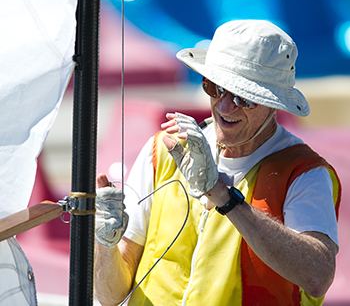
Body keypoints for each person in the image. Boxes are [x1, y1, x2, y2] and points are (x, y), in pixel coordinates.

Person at [94, 20, 341, 306]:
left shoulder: (304, 172)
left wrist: (222, 195)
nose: (225, 107)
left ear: (274, 102)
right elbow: (110, 297)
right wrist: (105, 244)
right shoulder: (162, 150)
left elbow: (317, 277)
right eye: (215, 88)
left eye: (243, 97)